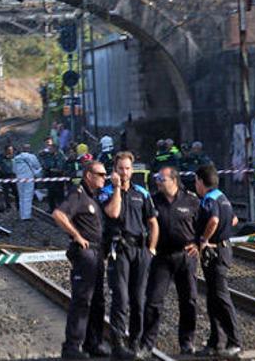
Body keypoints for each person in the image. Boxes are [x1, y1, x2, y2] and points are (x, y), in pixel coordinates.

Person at [98, 151, 159, 359]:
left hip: (140, 251)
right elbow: (113, 213)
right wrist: (116, 187)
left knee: (138, 300)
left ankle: (135, 341)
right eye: (120, 168)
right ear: (114, 170)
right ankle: (118, 344)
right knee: (121, 300)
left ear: (132, 170)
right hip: (119, 250)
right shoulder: (106, 191)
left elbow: (153, 222)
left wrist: (151, 248)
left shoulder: (142, 192)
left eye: (127, 168)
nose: (124, 172)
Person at [139, 167, 200, 357]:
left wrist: (198, 243)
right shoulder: (153, 200)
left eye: (161, 179)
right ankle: (147, 344)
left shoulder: (191, 200)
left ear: (174, 180)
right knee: (153, 301)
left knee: (189, 300)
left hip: (185, 256)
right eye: (157, 178)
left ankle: (187, 342)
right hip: (162, 257)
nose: (158, 181)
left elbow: (202, 224)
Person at [53, 161, 110, 359]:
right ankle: (72, 347)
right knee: (82, 300)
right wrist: (76, 235)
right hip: (85, 254)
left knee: (97, 301)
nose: (104, 177)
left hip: (97, 254)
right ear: (88, 175)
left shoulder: (93, 197)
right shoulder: (78, 194)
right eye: (100, 174)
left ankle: (93, 343)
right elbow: (59, 214)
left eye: (105, 174)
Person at [194, 164, 241, 357]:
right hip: (223, 248)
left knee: (221, 297)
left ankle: (234, 341)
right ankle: (216, 341)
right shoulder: (223, 197)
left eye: (196, 181)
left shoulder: (208, 200)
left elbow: (213, 220)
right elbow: (234, 220)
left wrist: (205, 239)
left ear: (200, 181)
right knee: (213, 298)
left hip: (215, 251)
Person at [13, 144, 42, 220]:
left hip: (19, 178)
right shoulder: (32, 157)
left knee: (21, 196)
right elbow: (37, 166)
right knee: (28, 196)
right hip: (29, 178)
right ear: (29, 149)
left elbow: (14, 170)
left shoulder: (16, 158)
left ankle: (22, 215)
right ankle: (27, 216)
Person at [39, 138, 67, 212]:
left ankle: (62, 209)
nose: (50, 149)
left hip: (58, 176)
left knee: (60, 194)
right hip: (50, 176)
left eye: (51, 148)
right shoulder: (47, 154)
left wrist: (53, 169)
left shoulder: (60, 154)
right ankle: (52, 208)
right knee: (50, 194)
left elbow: (61, 165)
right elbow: (45, 164)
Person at [0, 144, 17, 211]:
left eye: (11, 150)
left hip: (13, 175)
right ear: (5, 150)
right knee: (6, 192)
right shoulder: (1, 157)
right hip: (4, 176)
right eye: (9, 150)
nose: (10, 151)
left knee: (16, 191)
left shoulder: (14, 157)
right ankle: (8, 206)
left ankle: (18, 206)